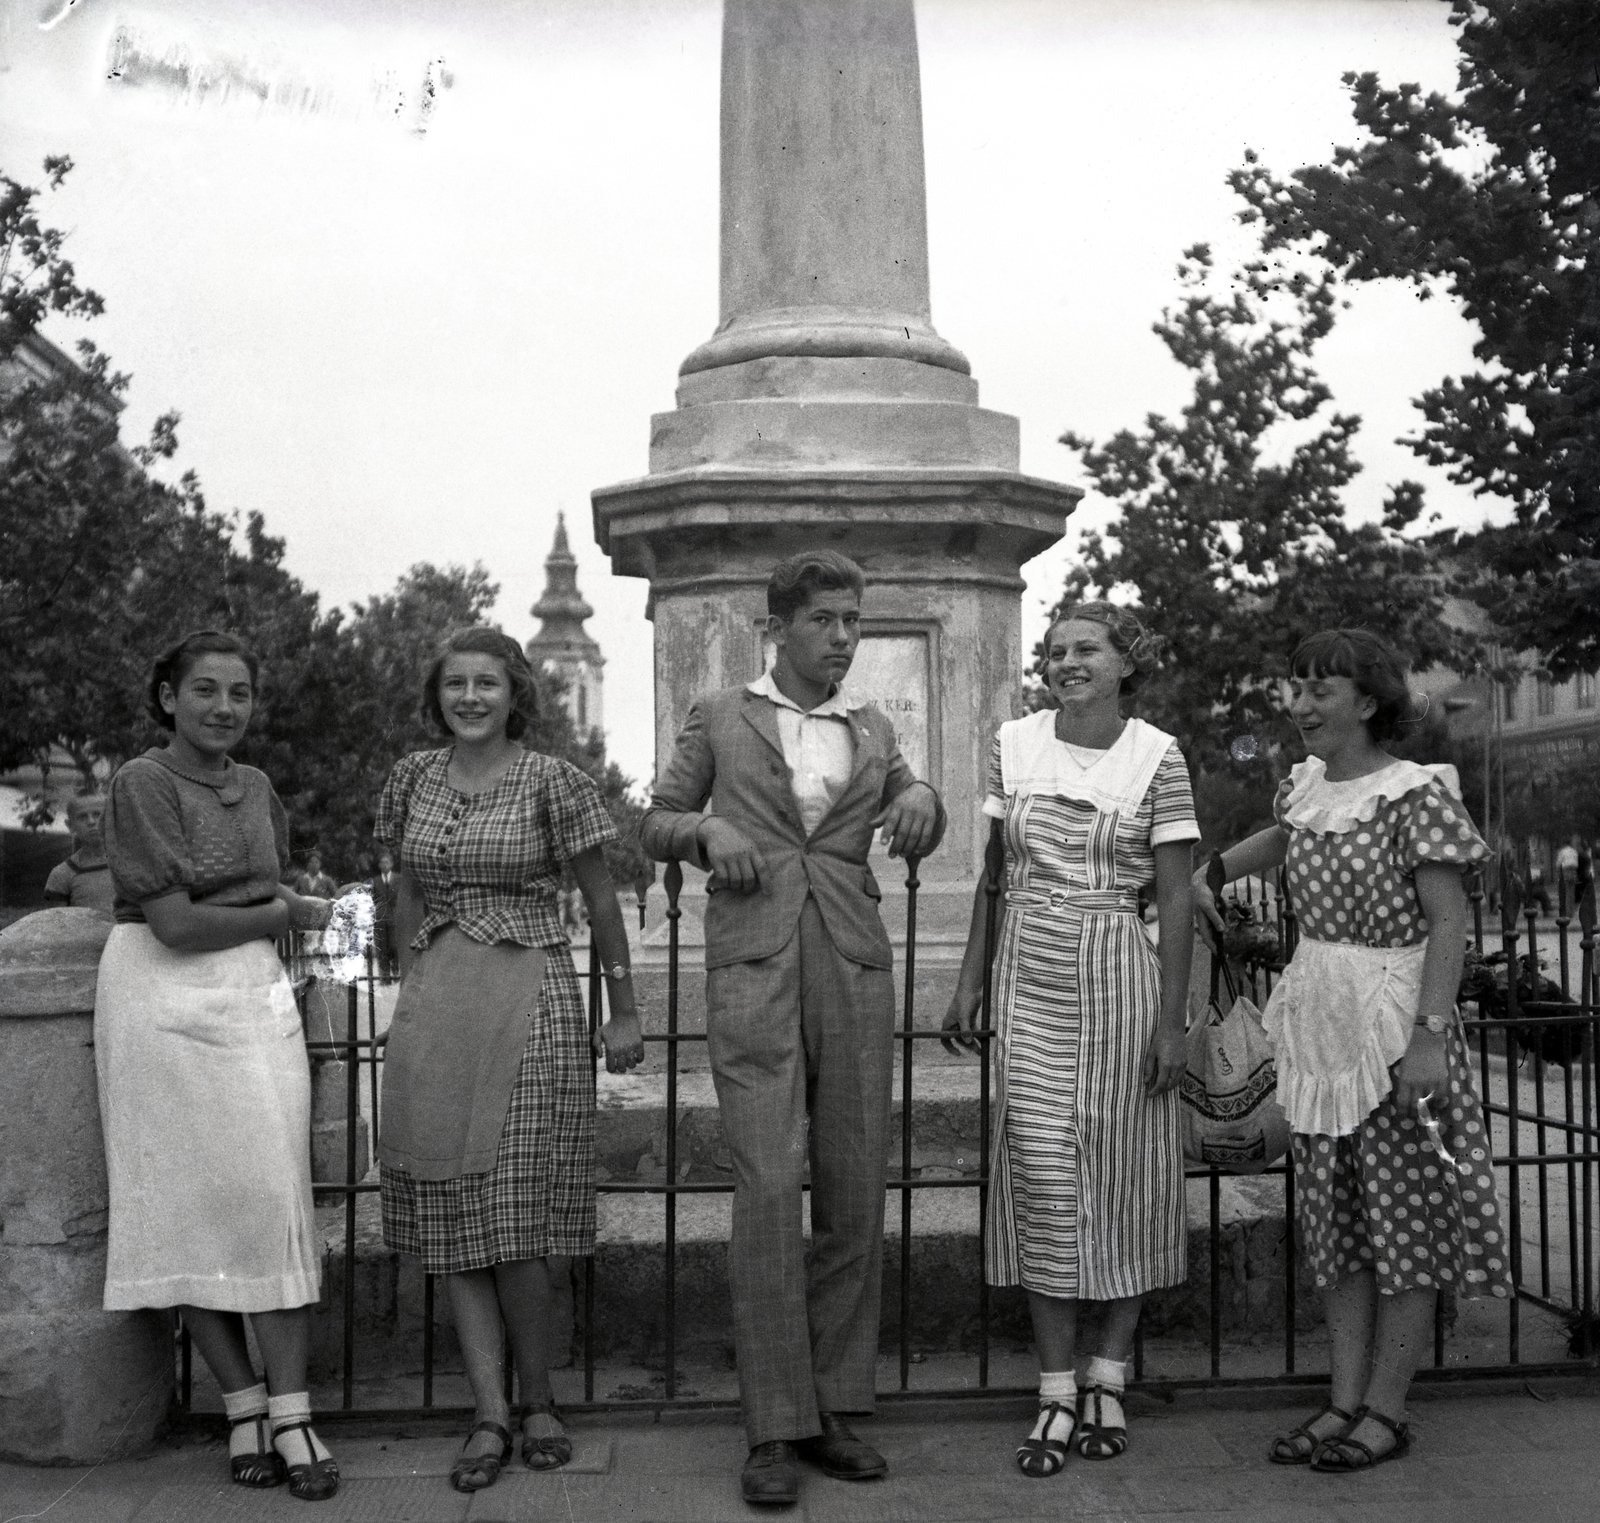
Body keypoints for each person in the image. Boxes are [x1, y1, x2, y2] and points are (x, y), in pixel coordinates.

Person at [641, 549, 944, 1507]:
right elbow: (654, 819)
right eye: (824, 620)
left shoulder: (874, 724)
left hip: (853, 962)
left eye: (853, 620)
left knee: (854, 1184)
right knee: (770, 1186)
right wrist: (705, 831)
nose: (843, 637)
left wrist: (921, 797)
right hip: (754, 967)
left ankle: (836, 1405)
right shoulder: (721, 715)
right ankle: (774, 1423)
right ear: (779, 628)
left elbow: (915, 805)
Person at [1198, 629, 1510, 1471]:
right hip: (1323, 1026)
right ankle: (1341, 1400)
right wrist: (1210, 872)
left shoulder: (1415, 795)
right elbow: (1285, 837)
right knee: (1336, 1227)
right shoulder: (1306, 787)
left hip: (1394, 1027)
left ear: (1368, 701)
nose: (1299, 704)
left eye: (1318, 689)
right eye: (1294, 687)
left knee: (1404, 1227)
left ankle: (1387, 1409)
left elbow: (1448, 919)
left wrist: (1429, 1039)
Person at [374, 627, 644, 1496]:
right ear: (437, 696)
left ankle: (538, 1400)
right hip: (439, 1003)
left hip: (531, 996)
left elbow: (602, 902)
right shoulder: (411, 778)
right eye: (455, 683)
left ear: (514, 692)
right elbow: (406, 891)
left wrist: (623, 1008)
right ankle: (488, 1412)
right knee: (453, 1208)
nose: (470, 697)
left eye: (486, 682)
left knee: (516, 1211)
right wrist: (410, 991)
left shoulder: (553, 780)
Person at [943, 603, 1197, 1476]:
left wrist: (1171, 1020)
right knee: (1042, 1171)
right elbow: (992, 874)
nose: (1067, 661)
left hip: (1119, 971)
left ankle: (1108, 1378)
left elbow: (1175, 895)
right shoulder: (1014, 744)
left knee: (1124, 1169)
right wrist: (971, 978)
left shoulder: (1158, 756)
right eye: (1055, 651)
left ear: (1127, 662)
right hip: (1031, 973)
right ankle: (1055, 1388)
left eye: (1087, 648)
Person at [94, 630, 339, 1501]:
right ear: (168, 698)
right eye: (204, 690)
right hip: (161, 995)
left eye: (239, 692)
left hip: (249, 992)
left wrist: (288, 908)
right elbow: (175, 923)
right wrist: (283, 913)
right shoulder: (142, 782)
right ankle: (244, 1407)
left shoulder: (258, 786)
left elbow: (256, 893)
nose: (223, 707)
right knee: (185, 1204)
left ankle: (293, 1412)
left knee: (273, 1198)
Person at [42, 792, 115, 916]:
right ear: (70, 825)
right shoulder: (62, 875)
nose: (91, 821)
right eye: (82, 817)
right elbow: (56, 923)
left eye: (97, 814)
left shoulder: (133, 863)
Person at [370, 849, 401, 981]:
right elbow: (372, 899)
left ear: (391, 864)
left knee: (394, 946)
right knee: (382, 948)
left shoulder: (399, 879)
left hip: (394, 917)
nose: (384, 865)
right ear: (379, 865)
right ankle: (385, 976)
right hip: (380, 917)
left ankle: (396, 971)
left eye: (386, 862)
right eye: (382, 863)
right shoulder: (375, 881)